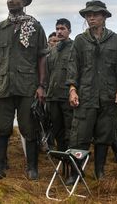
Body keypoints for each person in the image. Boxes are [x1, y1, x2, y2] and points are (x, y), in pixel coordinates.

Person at [0, 0, 48, 181]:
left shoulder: (34, 26)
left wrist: (41, 85)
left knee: (29, 128)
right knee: (0, 128)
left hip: (27, 86)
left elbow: (42, 58)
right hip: (3, 86)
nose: (11, 1)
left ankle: (32, 168)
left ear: (25, 2)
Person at [66, 0, 117, 183]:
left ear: (104, 17)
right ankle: (75, 173)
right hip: (85, 95)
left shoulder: (116, 40)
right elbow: (73, 67)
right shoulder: (80, 40)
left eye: (95, 14)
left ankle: (99, 171)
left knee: (104, 135)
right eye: (88, 15)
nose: (91, 18)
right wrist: (72, 89)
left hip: (108, 96)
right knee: (80, 135)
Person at [46, 18, 74, 152]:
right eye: (57, 29)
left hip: (67, 95)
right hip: (52, 96)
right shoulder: (53, 50)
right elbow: (47, 73)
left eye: (62, 29)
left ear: (69, 30)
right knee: (56, 128)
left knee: (70, 128)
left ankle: (71, 156)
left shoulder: (75, 48)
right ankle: (61, 154)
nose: (59, 32)